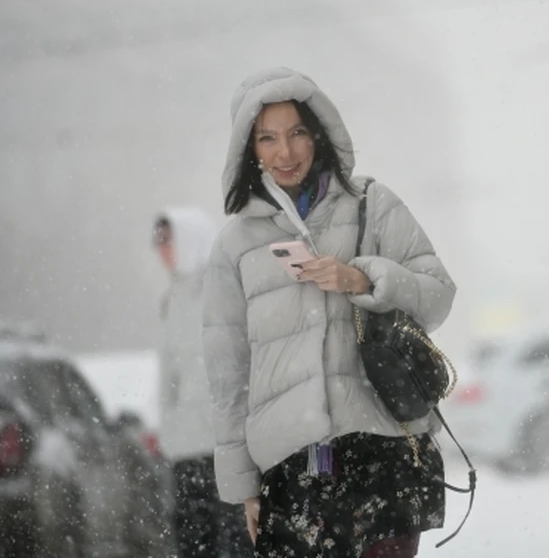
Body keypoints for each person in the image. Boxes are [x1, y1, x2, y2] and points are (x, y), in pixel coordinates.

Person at [202, 67, 456, 558]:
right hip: (292, 471)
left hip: (384, 450)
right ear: (248, 149)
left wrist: (364, 279)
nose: (286, 152)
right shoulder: (233, 246)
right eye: (267, 138)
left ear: (319, 133)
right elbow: (229, 378)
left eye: (297, 132)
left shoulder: (372, 205)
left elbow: (439, 295)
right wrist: (244, 489)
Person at [153, 208, 253, 557]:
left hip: (225, 440)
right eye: (158, 242)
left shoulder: (225, 287)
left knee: (237, 537)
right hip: (185, 445)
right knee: (194, 540)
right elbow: (170, 373)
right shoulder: (171, 299)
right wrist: (165, 427)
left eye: (168, 239)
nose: (161, 249)